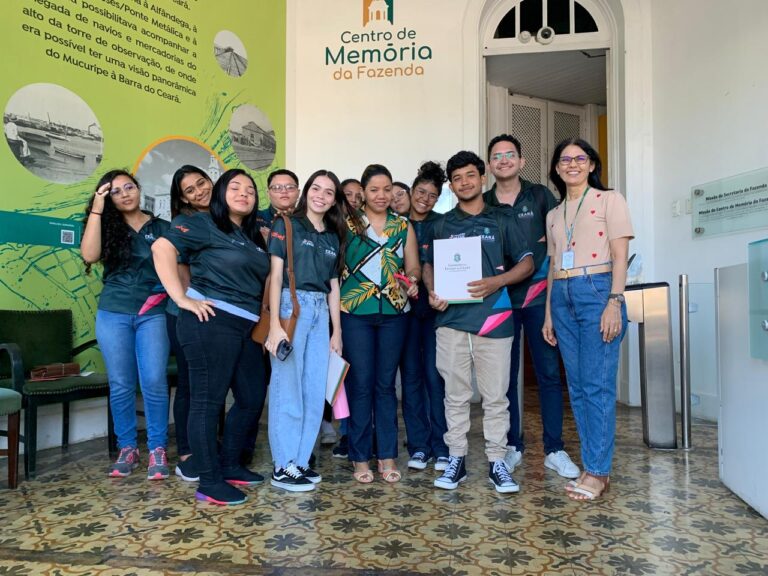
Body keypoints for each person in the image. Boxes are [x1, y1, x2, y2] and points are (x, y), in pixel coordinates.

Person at [152, 169, 270, 506]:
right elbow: (162, 249)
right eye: (234, 187)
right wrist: (181, 298)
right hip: (210, 322)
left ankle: (231, 463)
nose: (244, 193)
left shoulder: (250, 235)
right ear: (220, 193)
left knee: (251, 397)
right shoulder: (202, 223)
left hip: (246, 328)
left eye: (249, 189)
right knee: (208, 401)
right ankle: (210, 481)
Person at [423, 151, 533, 494]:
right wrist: (432, 290)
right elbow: (428, 265)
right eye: (457, 178)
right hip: (451, 320)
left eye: (470, 175)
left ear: (481, 177)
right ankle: (456, 459)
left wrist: (495, 282)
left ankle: (498, 462)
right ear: (451, 186)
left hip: (495, 320)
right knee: (454, 395)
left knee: (495, 397)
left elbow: (527, 263)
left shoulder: (502, 219)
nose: (464, 182)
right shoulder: (440, 223)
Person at [484, 134, 580, 480]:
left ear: (521, 161)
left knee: (549, 374)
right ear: (490, 165)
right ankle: (512, 446)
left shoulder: (540, 195)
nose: (504, 160)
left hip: (541, 296)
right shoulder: (484, 204)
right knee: (503, 377)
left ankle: (554, 448)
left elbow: (559, 237)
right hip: (501, 301)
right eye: (497, 156)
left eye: (510, 154)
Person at [543, 138, 633, 501]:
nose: (573, 164)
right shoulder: (554, 213)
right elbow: (552, 266)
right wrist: (549, 312)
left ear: (592, 165)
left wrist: (615, 301)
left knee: (597, 386)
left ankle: (598, 471)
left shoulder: (610, 200)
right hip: (562, 297)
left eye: (580, 158)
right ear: (557, 168)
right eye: (565, 159)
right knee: (577, 388)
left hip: (597, 290)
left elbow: (620, 254)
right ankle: (591, 464)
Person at [80, 170, 170, 480]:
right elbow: (89, 254)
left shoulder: (161, 227)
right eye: (115, 191)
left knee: (154, 381)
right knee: (120, 384)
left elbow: (176, 270)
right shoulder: (107, 226)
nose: (125, 194)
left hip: (152, 313)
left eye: (129, 187)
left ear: (138, 188)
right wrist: (97, 208)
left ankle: (158, 448)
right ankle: (127, 448)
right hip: (113, 312)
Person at [264, 170, 347, 492]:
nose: (321, 196)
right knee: (288, 388)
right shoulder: (285, 225)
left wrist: (336, 331)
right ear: (305, 191)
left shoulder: (332, 235)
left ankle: (300, 461)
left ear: (334, 199)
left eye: (329, 192)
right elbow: (275, 276)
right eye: (316, 188)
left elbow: (334, 287)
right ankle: (283, 464)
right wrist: (274, 325)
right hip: (290, 306)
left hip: (319, 313)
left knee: (314, 390)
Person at [341, 164, 420, 484]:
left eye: (387, 189)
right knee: (360, 385)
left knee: (386, 386)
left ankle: (387, 455)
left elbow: (412, 266)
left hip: (394, 314)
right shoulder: (346, 224)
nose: (382, 195)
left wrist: (412, 281)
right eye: (374, 189)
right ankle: (360, 458)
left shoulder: (403, 225)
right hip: (354, 312)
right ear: (363, 192)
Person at [399, 161, 450, 471]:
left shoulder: (444, 224)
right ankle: (418, 445)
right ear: (411, 190)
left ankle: (441, 445)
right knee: (411, 378)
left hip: (435, 312)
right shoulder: (395, 223)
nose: (425, 199)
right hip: (402, 312)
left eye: (432, 195)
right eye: (421, 192)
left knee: (435, 377)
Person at [165, 165, 213, 482]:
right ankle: (187, 450)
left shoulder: (225, 217)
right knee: (190, 383)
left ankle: (208, 444)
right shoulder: (185, 224)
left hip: (216, 312)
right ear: (182, 199)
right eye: (190, 190)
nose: (199, 191)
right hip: (186, 311)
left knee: (213, 383)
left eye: (201, 183)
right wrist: (188, 302)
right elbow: (181, 270)